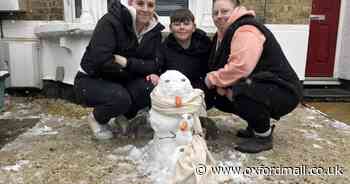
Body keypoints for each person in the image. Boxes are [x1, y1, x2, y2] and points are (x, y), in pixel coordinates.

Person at [205, 0, 303, 153]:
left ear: (237, 9)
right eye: (215, 13)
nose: (219, 16)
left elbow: (241, 67)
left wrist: (212, 79)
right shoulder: (223, 34)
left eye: (224, 11)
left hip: (284, 91)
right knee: (223, 96)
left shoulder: (246, 30)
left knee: (240, 92)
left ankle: (263, 136)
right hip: (263, 85)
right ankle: (254, 124)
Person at [74, 0, 164, 140]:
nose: (146, 9)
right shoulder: (110, 22)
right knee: (120, 97)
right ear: (130, 3)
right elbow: (102, 60)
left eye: (150, 5)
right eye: (140, 3)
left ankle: (122, 116)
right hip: (91, 79)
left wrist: (127, 62)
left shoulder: (154, 32)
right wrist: (138, 69)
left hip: (122, 78)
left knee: (149, 87)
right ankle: (97, 118)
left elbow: (154, 64)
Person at [146, 8, 211, 92]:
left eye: (186, 24)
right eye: (177, 24)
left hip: (200, 91)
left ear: (194, 27)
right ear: (170, 28)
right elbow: (158, 68)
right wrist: (155, 75)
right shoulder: (164, 48)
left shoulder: (205, 44)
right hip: (173, 90)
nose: (182, 27)